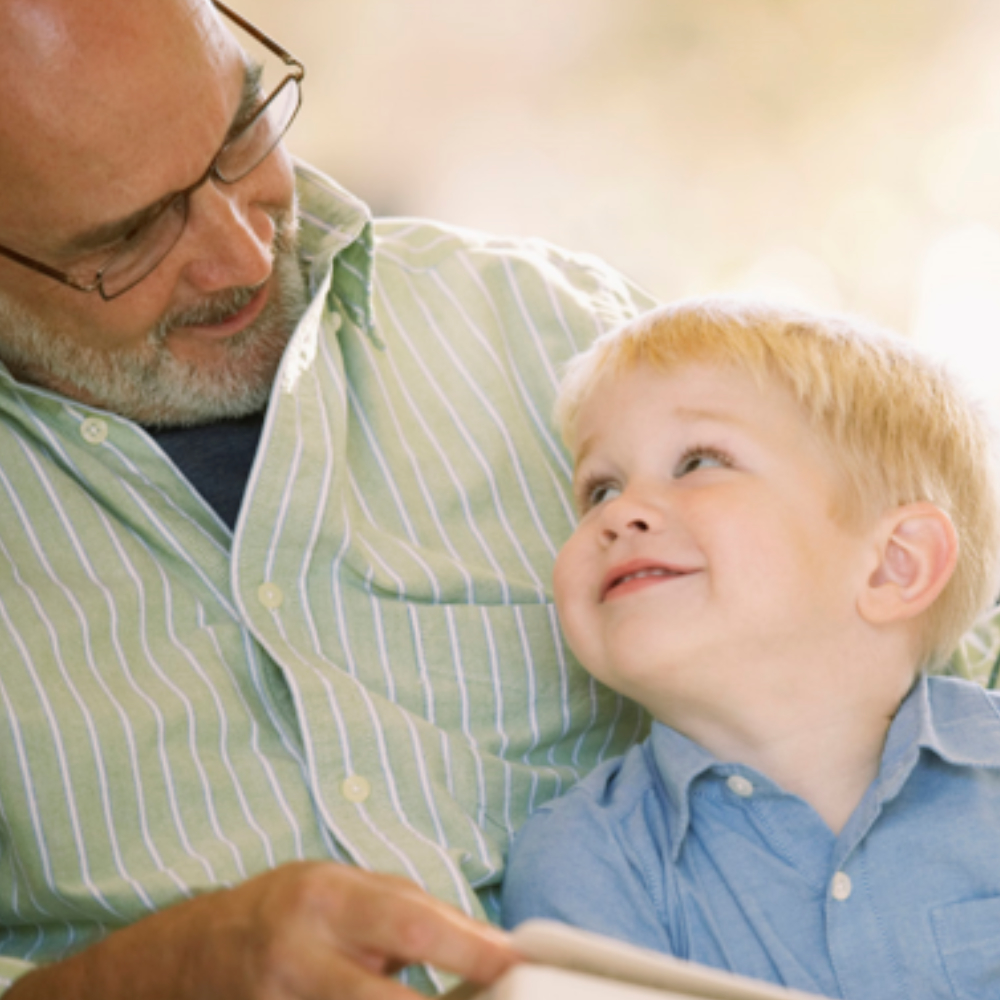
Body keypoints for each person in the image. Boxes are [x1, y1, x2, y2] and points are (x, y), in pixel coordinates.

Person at [0, 0, 658, 996]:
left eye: (241, 132)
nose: (244, 254)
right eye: (131, 235)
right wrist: (143, 977)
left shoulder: (557, 337)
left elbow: (951, 699)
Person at [501, 298, 1000, 998]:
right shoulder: (586, 861)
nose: (619, 513)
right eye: (599, 489)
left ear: (895, 565)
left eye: (699, 460)